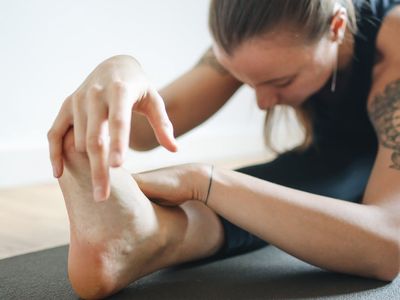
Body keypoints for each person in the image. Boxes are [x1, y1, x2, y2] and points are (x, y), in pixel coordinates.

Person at [47, 0, 400, 298]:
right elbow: (144, 131)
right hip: (337, 157)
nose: (263, 103)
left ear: (336, 27)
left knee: (321, 181)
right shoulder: (261, 41)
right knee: (291, 183)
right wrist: (122, 69)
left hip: (372, 168)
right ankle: (141, 237)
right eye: (248, 83)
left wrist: (205, 182)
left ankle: (148, 236)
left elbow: (387, 246)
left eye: (281, 82)